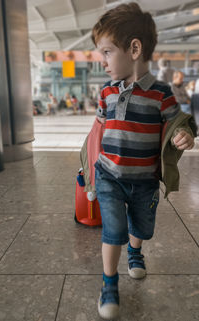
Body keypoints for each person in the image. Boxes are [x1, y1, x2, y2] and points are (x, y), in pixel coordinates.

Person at [91, 2, 195, 320]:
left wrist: (186, 136)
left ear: (134, 48)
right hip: (109, 174)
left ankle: (135, 253)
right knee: (113, 229)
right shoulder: (106, 92)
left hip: (145, 179)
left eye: (107, 52)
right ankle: (109, 283)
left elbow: (181, 124)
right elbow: (97, 131)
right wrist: (88, 169)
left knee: (141, 227)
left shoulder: (162, 94)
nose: (102, 60)